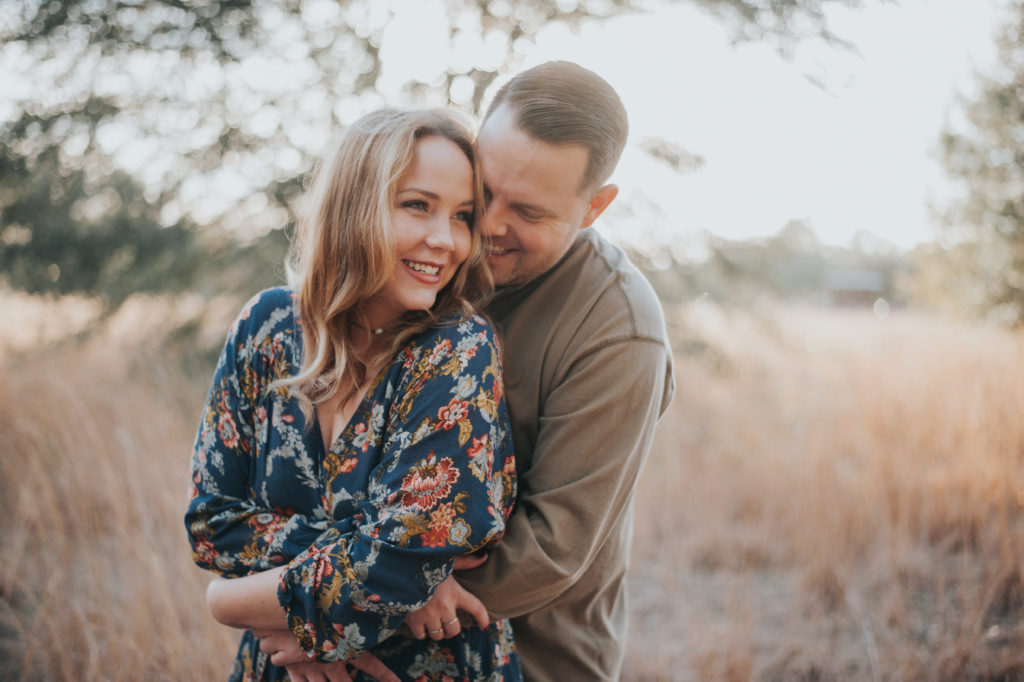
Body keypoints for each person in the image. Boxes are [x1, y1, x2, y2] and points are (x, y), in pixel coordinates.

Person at [184, 108, 521, 682]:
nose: (445, 240)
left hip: (427, 668)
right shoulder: (267, 326)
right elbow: (211, 526)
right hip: (279, 665)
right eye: (418, 205)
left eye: (462, 216)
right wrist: (382, 564)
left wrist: (233, 602)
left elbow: (396, 564)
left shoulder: (459, 349)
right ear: (354, 204)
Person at [405, 61, 675, 681]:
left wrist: (350, 606)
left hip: (536, 660)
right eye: (486, 187)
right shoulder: (430, 252)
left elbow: (554, 548)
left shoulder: (620, 330)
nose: (490, 225)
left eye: (528, 210)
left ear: (594, 207)